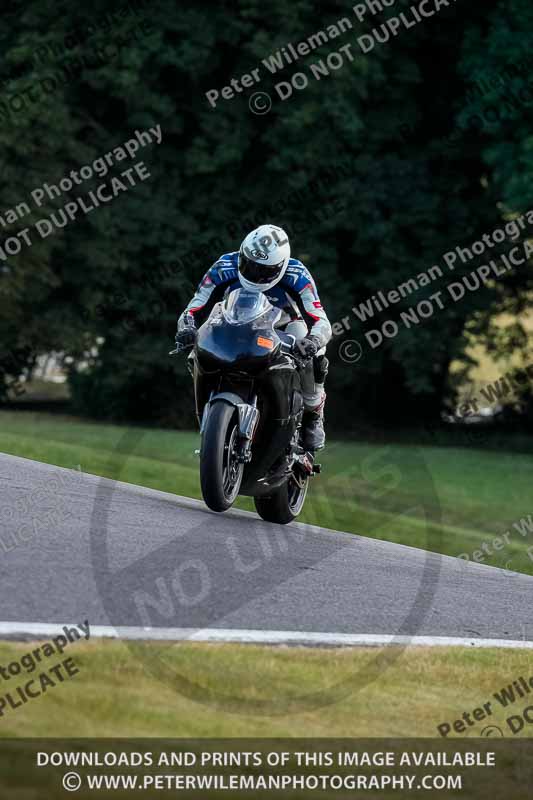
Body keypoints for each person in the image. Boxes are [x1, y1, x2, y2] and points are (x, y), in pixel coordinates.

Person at [175, 224, 332, 451]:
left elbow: (321, 320)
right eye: (249, 265)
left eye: (264, 270)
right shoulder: (223, 266)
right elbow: (194, 308)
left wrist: (313, 341)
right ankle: (210, 406)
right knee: (194, 350)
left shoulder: (297, 274)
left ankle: (313, 414)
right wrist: (187, 328)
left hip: (283, 326)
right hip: (234, 322)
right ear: (241, 254)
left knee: (314, 355)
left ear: (281, 266)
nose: (255, 275)